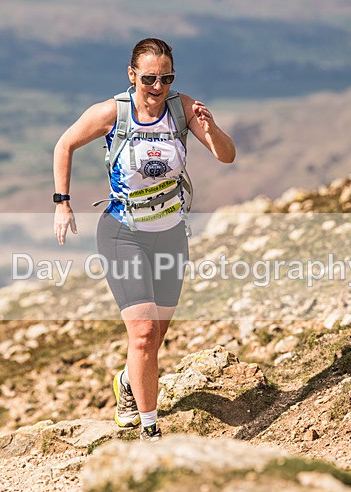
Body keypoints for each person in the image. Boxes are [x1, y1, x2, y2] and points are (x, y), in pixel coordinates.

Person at [52, 37, 235, 441]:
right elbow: (64, 144)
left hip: (171, 235)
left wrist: (211, 127)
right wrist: (62, 202)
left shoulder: (182, 109)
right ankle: (149, 431)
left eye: (166, 78)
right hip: (123, 232)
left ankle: (127, 381)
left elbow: (226, 156)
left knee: (155, 338)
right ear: (132, 75)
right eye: (149, 78)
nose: (158, 87)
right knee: (144, 334)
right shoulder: (112, 113)